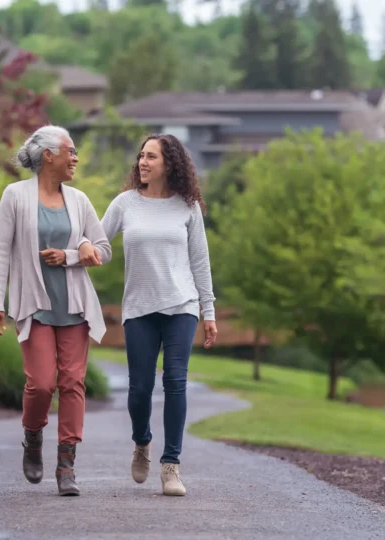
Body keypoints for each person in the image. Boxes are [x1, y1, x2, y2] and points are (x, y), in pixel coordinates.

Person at [79, 134, 218, 497]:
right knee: (140, 389)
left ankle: (171, 466)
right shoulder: (125, 204)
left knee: (175, 381)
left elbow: (200, 262)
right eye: (141, 156)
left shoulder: (188, 207)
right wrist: (78, 252)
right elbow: (100, 244)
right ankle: (142, 442)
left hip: (181, 306)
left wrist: (209, 311)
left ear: (169, 164)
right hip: (139, 307)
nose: (143, 162)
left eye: (151, 157)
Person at [0, 125, 110, 497]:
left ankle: (66, 465)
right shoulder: (15, 195)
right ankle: (33, 436)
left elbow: (102, 249)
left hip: (74, 306)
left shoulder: (80, 200)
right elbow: (0, 251)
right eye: (70, 151)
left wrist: (72, 255)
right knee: (41, 384)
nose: (76, 158)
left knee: (72, 382)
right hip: (35, 305)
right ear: (48, 156)